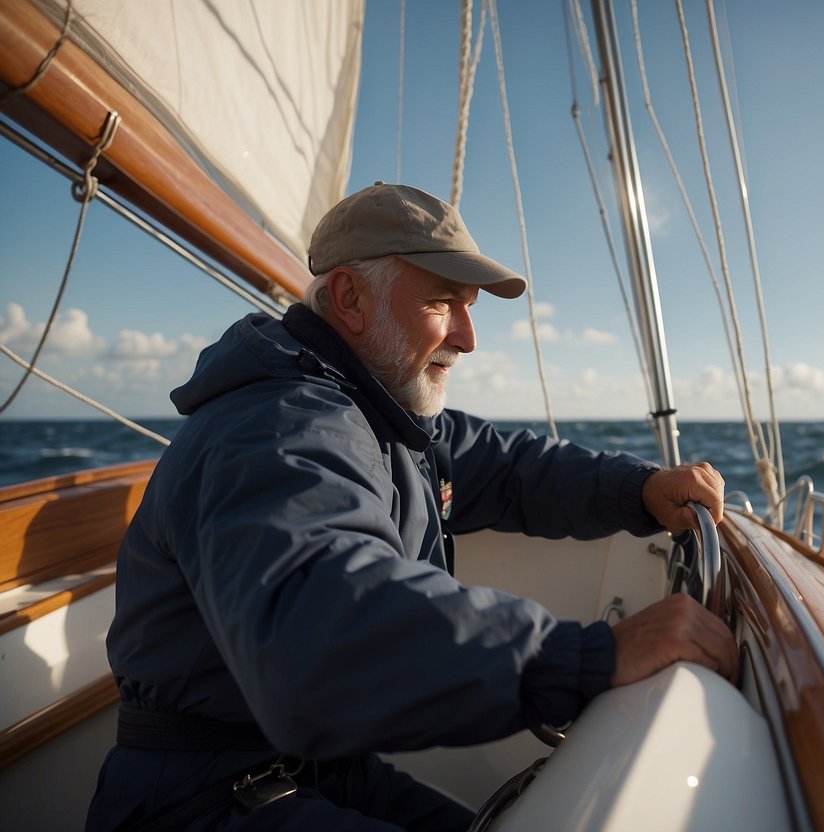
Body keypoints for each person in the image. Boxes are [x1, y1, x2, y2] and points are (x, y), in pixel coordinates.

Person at [86, 183, 737, 831]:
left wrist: (639, 490)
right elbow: (322, 637)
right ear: (349, 298)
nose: (468, 336)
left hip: (308, 765)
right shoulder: (280, 429)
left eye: (469, 307)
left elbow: (508, 468)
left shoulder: (378, 415)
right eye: (441, 302)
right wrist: (587, 659)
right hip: (196, 799)